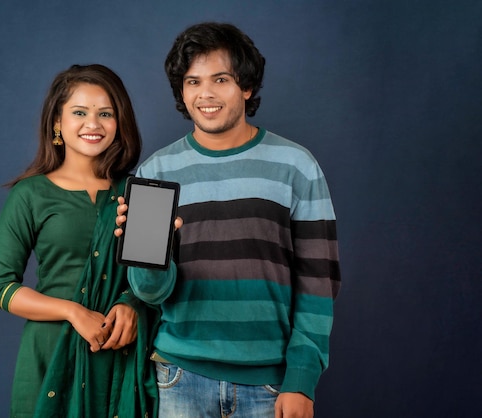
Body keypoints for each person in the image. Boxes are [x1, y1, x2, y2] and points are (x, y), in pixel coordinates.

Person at [115, 22, 341, 418]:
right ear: (182, 92)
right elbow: (151, 293)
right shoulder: (157, 173)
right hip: (179, 377)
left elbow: (318, 280)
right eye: (192, 81)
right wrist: (148, 255)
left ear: (247, 87)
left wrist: (301, 378)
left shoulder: (297, 166)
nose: (205, 94)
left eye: (220, 79)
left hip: (270, 385)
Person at [0, 64, 159, 418]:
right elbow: (0, 287)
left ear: (119, 123)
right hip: (50, 356)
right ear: (57, 123)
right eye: (79, 112)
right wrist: (73, 312)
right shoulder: (30, 194)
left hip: (120, 355)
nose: (93, 124)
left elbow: (154, 283)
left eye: (105, 114)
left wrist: (132, 305)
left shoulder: (142, 193)